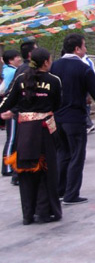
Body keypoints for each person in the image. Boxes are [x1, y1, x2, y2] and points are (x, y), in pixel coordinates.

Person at [50, 34, 95, 205]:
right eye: (84, 46)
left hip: (56, 118)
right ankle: (71, 194)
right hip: (74, 117)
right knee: (77, 155)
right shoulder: (83, 68)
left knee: (63, 153)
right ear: (77, 49)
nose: (86, 49)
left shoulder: (53, 66)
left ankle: (60, 190)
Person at [0, 48, 62, 224]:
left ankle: (28, 214)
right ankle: (45, 212)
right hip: (44, 130)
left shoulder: (21, 79)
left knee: (26, 172)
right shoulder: (54, 80)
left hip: (25, 131)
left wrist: (11, 111)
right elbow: (57, 104)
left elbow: (7, 101)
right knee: (46, 171)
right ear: (45, 62)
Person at [3, 41, 37, 186]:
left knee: (21, 143)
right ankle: (11, 169)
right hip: (19, 111)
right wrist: (12, 110)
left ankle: (18, 171)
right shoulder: (25, 70)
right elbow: (18, 93)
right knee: (17, 141)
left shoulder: (25, 68)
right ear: (30, 54)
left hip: (21, 111)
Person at [1, 50, 23, 177]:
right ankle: (7, 166)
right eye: (16, 57)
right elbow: (3, 89)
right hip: (11, 108)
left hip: (10, 107)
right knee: (12, 138)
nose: (19, 59)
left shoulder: (8, 70)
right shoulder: (11, 72)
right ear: (10, 60)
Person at [81, 54, 95, 135]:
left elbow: (92, 75)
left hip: (85, 86)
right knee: (84, 105)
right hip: (83, 86)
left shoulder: (86, 61)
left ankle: (88, 125)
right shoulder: (86, 60)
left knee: (85, 105)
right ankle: (88, 124)